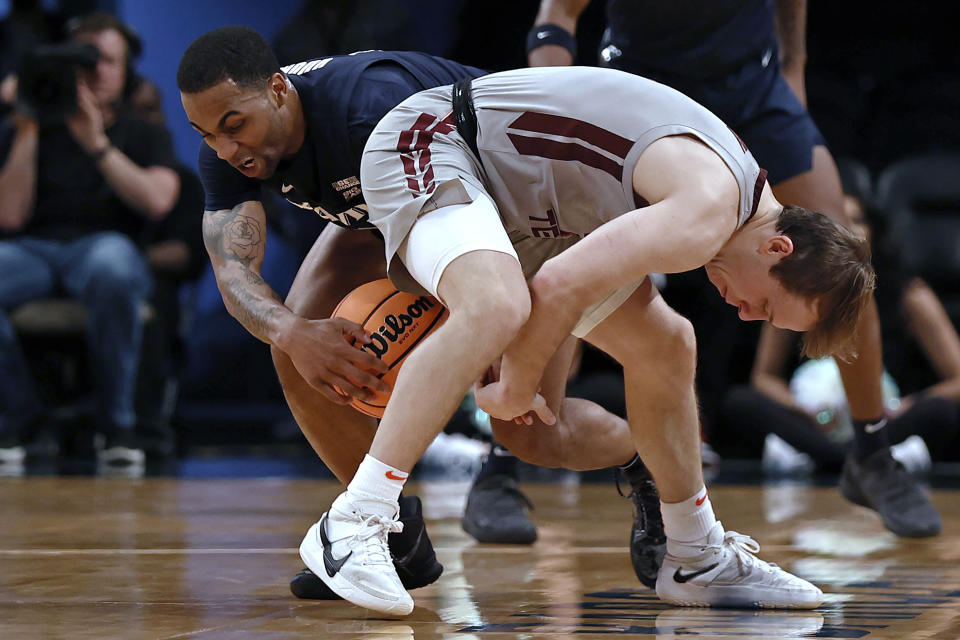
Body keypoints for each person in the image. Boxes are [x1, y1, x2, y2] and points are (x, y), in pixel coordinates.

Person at [294, 63, 873, 615]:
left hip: (539, 210)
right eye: (767, 305)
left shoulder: (732, 200)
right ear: (778, 248)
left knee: (666, 345)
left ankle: (697, 555)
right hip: (437, 140)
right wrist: (516, 385)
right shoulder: (706, 216)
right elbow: (559, 285)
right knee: (497, 306)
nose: (749, 316)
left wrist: (521, 374)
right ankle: (354, 521)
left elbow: (564, 275)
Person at [524, 0, 941, 539]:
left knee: (842, 263)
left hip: (752, 88)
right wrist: (554, 114)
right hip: (646, 88)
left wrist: (792, 70)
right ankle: (503, 458)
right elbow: (557, 14)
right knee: (576, 257)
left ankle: (872, 450)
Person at [0, 12, 180, 468]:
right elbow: (9, 216)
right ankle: (20, 420)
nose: (97, 71)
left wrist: (96, 142)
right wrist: (27, 127)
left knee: (111, 266)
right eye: (85, 61)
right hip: (33, 251)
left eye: (108, 62)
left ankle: (118, 426)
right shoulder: (27, 129)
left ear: (126, 70)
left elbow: (159, 201)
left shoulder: (143, 133)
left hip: (106, 246)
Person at [720, 161, 960, 484]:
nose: (851, 230)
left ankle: (855, 453)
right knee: (741, 403)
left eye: (857, 220)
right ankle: (852, 459)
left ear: (874, 227)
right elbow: (764, 377)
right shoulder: (788, 282)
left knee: (940, 412)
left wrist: (901, 406)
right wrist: (808, 411)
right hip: (815, 421)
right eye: (839, 221)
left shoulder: (908, 292)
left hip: (884, 417)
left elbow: (956, 379)